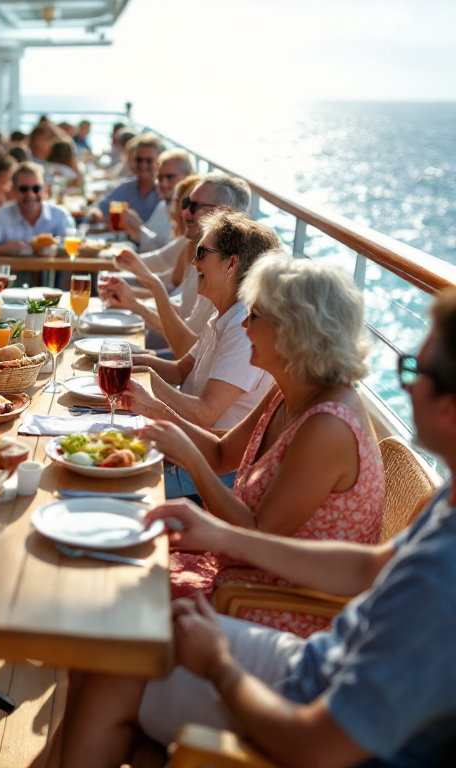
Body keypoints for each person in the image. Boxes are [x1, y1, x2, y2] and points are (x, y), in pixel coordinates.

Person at [31, 290, 456, 768]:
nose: (408, 388)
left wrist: (220, 668)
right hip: (318, 657)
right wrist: (223, 536)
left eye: (415, 375)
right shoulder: (451, 499)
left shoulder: (440, 583)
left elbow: (318, 746)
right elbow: (374, 566)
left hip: (297, 660)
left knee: (118, 658)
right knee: (117, 642)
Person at [130, 252, 384, 631]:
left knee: (117, 595)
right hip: (241, 570)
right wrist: (155, 410)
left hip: (279, 605)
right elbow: (221, 454)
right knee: (115, 568)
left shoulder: (329, 426)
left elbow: (255, 533)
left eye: (256, 315)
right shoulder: (289, 390)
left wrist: (189, 460)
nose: (244, 324)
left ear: (294, 331)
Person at [127, 212, 278, 491]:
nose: (194, 262)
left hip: (212, 472)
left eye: (202, 252)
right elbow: (180, 369)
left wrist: (143, 378)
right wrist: (122, 360)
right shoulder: (225, 315)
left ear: (231, 264)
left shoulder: (244, 329)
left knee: (109, 473)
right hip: (186, 446)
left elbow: (204, 414)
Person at [101, 173, 251, 358]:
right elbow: (182, 312)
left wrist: (149, 289)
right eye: (185, 203)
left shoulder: (223, 273)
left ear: (224, 212)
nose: (184, 213)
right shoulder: (201, 255)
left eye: (194, 206)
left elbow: (186, 351)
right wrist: (132, 300)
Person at [0, 162, 75, 254]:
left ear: (45, 190)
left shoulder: (60, 215)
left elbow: (75, 248)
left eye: (36, 188)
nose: (31, 195)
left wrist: (51, 249)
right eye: (24, 189)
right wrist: (3, 249)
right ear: (13, 191)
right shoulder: (0, 215)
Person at [124, 149, 195, 251]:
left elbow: (166, 258)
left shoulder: (190, 214)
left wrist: (139, 229)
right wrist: (135, 227)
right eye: (160, 178)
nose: (163, 184)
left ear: (188, 177)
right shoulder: (163, 205)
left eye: (169, 177)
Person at [87, 133, 164, 224]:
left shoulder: (165, 193)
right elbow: (98, 208)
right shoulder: (126, 188)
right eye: (139, 160)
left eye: (149, 160)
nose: (143, 165)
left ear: (159, 162)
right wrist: (94, 215)